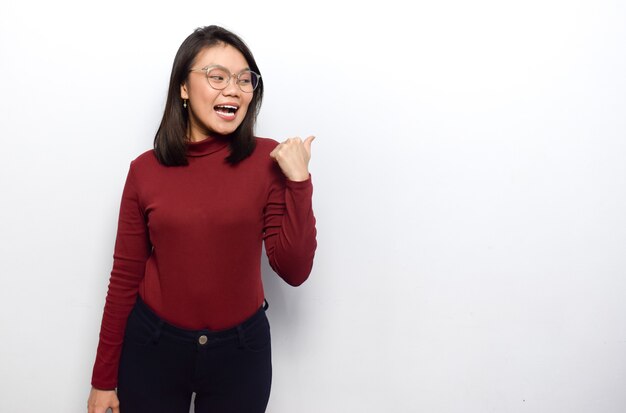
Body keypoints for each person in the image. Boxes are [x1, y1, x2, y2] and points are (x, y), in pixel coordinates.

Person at [87, 25, 317, 413]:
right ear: (183, 87)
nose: (234, 89)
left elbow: (294, 270)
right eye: (217, 76)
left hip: (241, 352)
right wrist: (102, 380)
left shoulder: (269, 161)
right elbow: (125, 277)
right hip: (154, 347)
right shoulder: (144, 171)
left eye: (245, 79)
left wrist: (299, 181)